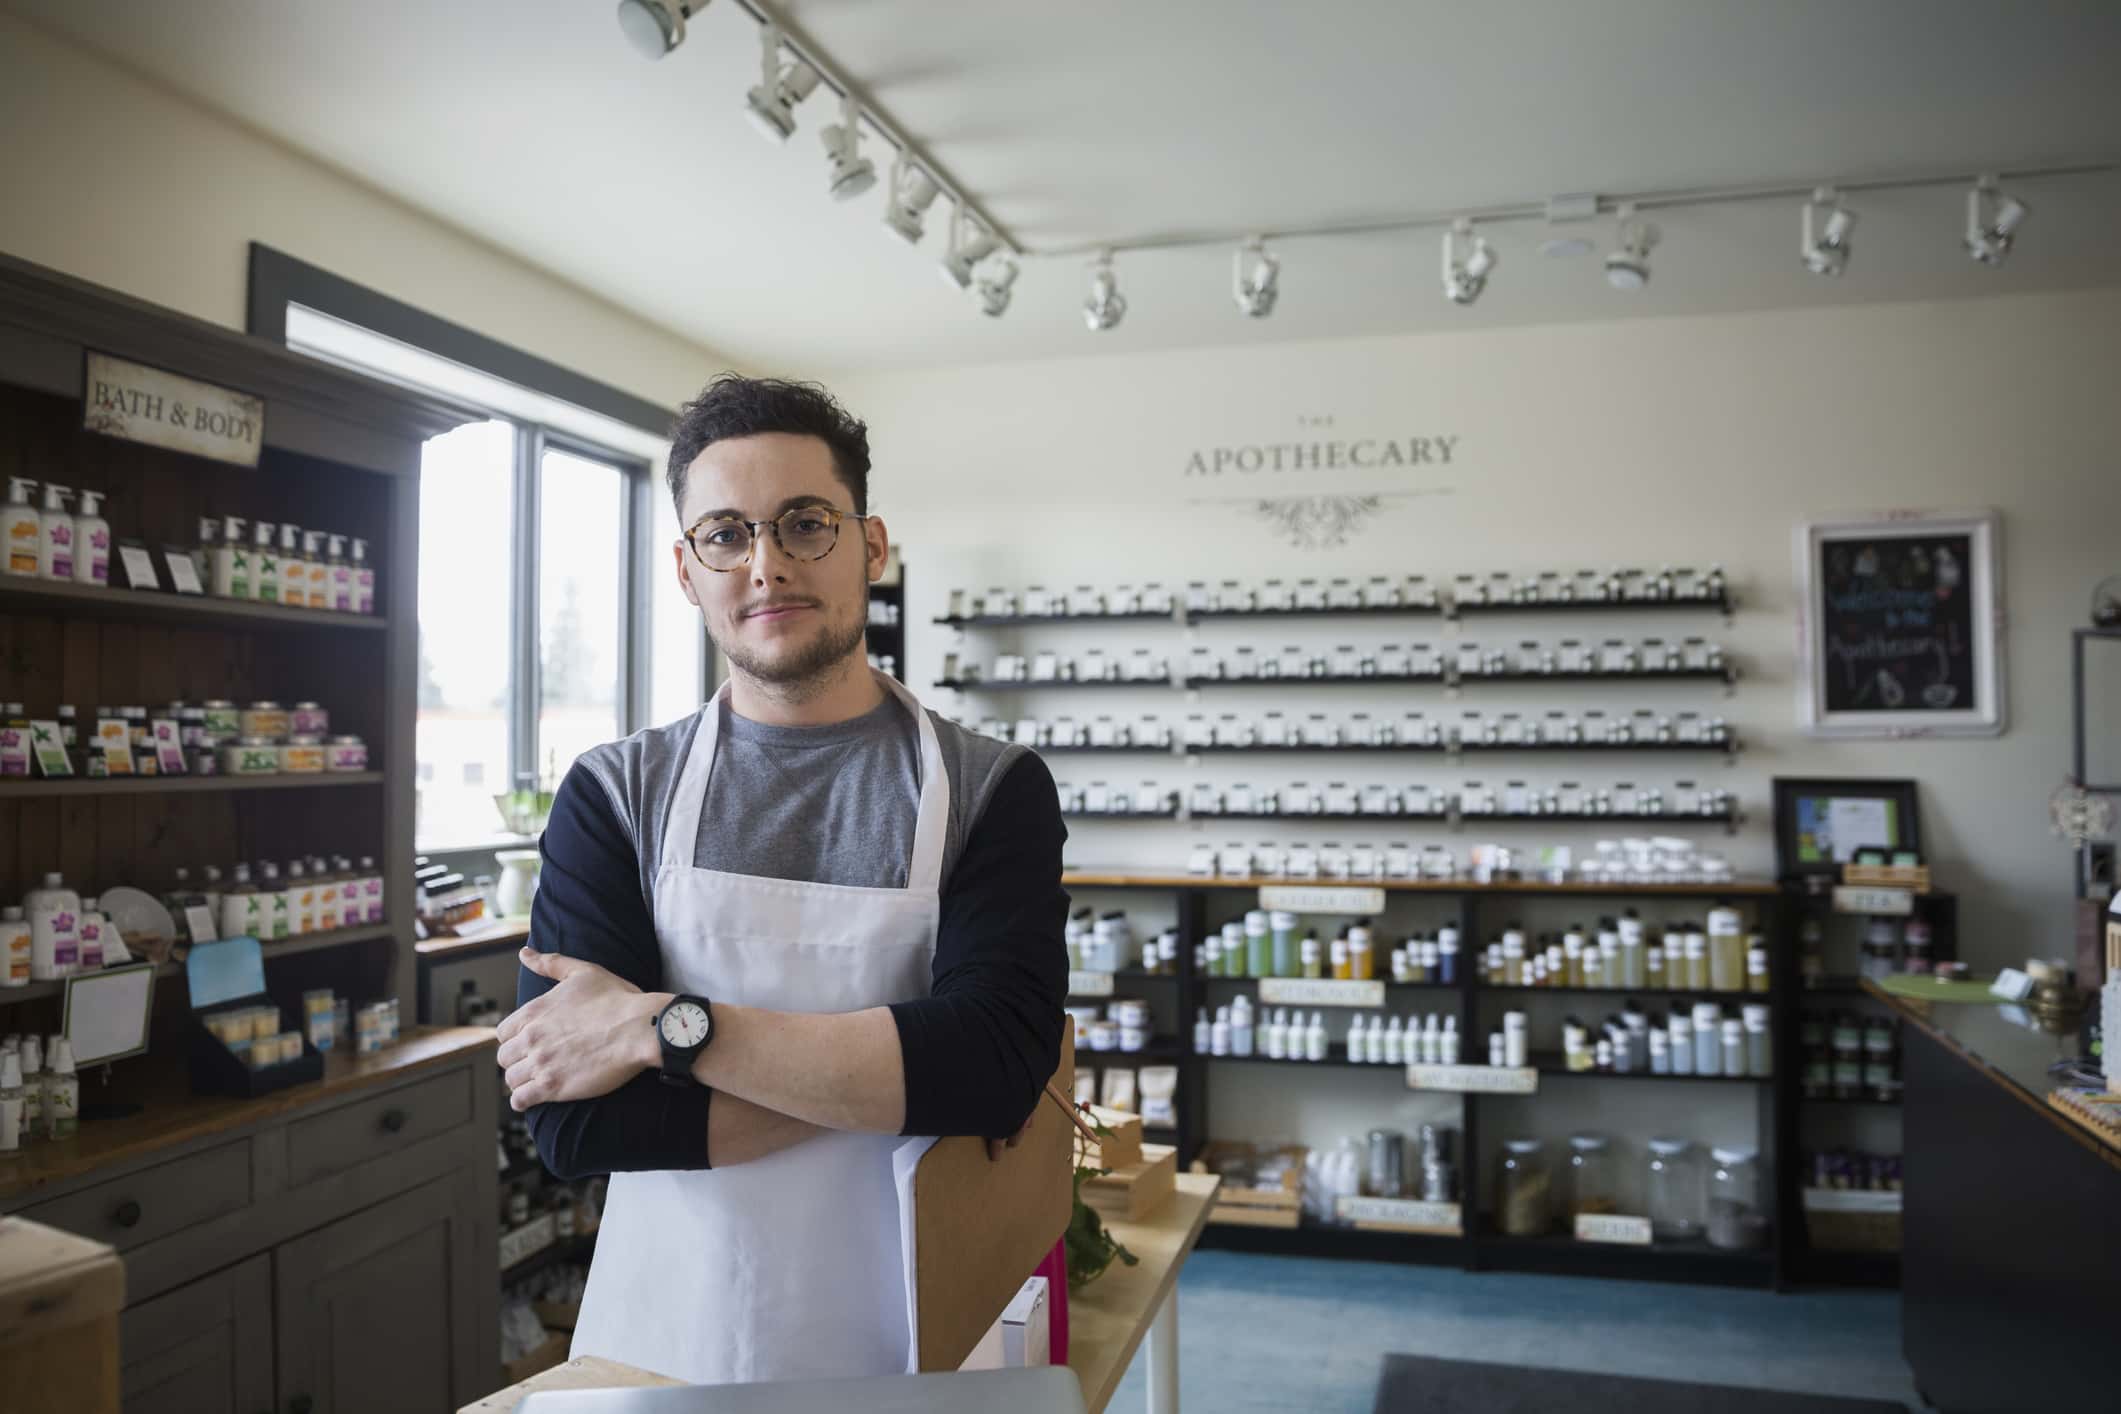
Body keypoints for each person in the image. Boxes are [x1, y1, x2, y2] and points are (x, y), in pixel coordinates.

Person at [494, 374, 1067, 1385]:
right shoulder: (615, 795)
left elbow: (998, 1064)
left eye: (805, 523)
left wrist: (656, 1028)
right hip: (672, 1342)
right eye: (726, 533)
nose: (766, 564)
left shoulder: (990, 791)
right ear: (685, 567)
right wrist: (898, 1071)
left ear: (872, 545)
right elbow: (577, 1124)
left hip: (926, 1342)